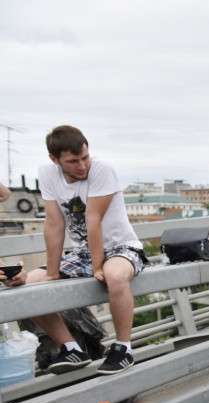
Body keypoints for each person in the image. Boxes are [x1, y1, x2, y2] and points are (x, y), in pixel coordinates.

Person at [10, 125, 147, 375]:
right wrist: (52, 273)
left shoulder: (102, 169)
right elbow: (53, 223)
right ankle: (72, 348)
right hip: (82, 254)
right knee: (28, 286)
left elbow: (92, 219)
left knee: (115, 276)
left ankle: (124, 349)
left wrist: (97, 268)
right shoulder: (48, 174)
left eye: (85, 158)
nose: (82, 166)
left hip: (121, 247)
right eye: (73, 162)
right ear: (55, 160)